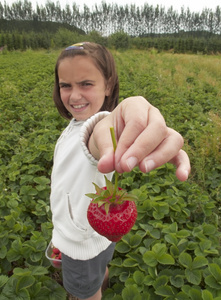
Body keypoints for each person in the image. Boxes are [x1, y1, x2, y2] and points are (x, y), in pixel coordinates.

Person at [50, 42, 190, 300]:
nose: (74, 95)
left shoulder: (97, 130)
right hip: (101, 235)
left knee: (84, 293)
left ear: (109, 85)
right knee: (99, 269)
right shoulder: (74, 124)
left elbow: (99, 133)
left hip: (80, 246)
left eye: (86, 84)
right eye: (65, 85)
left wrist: (121, 116)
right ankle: (100, 282)